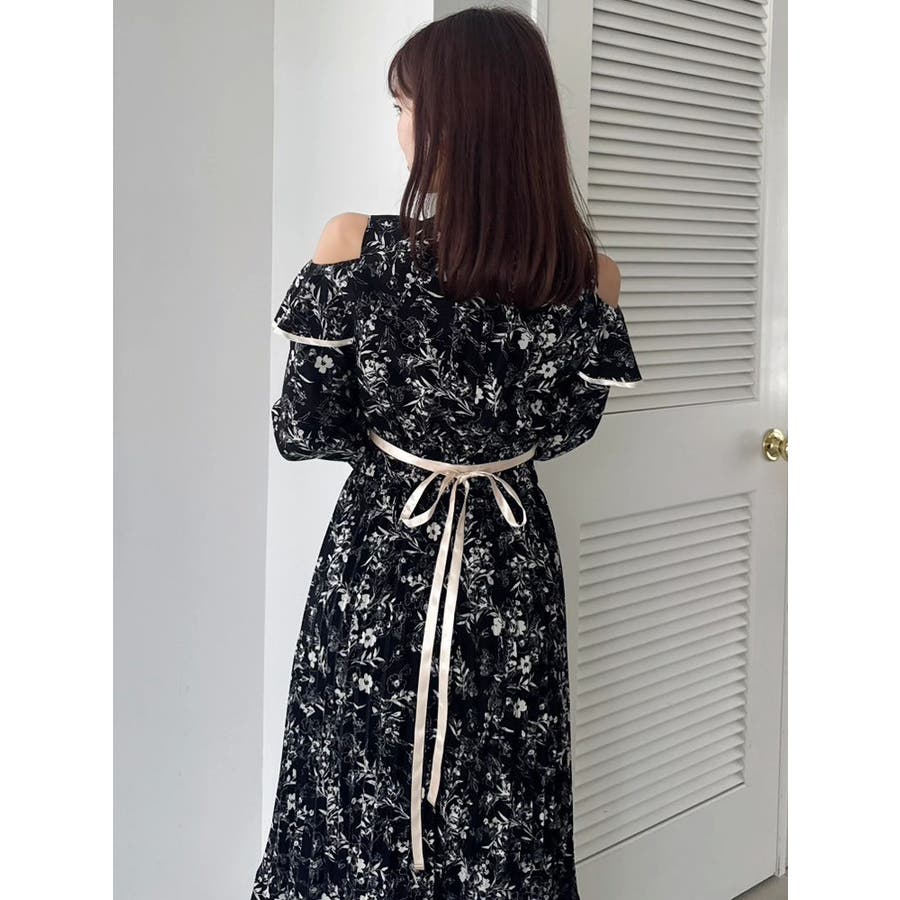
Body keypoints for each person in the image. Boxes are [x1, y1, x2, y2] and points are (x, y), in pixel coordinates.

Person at [251, 7, 642, 899]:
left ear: (455, 118)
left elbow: (304, 430)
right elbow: (566, 432)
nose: (399, 127)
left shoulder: (356, 247)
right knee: (506, 787)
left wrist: (407, 442)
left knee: (357, 787)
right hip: (511, 564)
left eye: (405, 106)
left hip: (385, 554)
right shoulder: (591, 278)